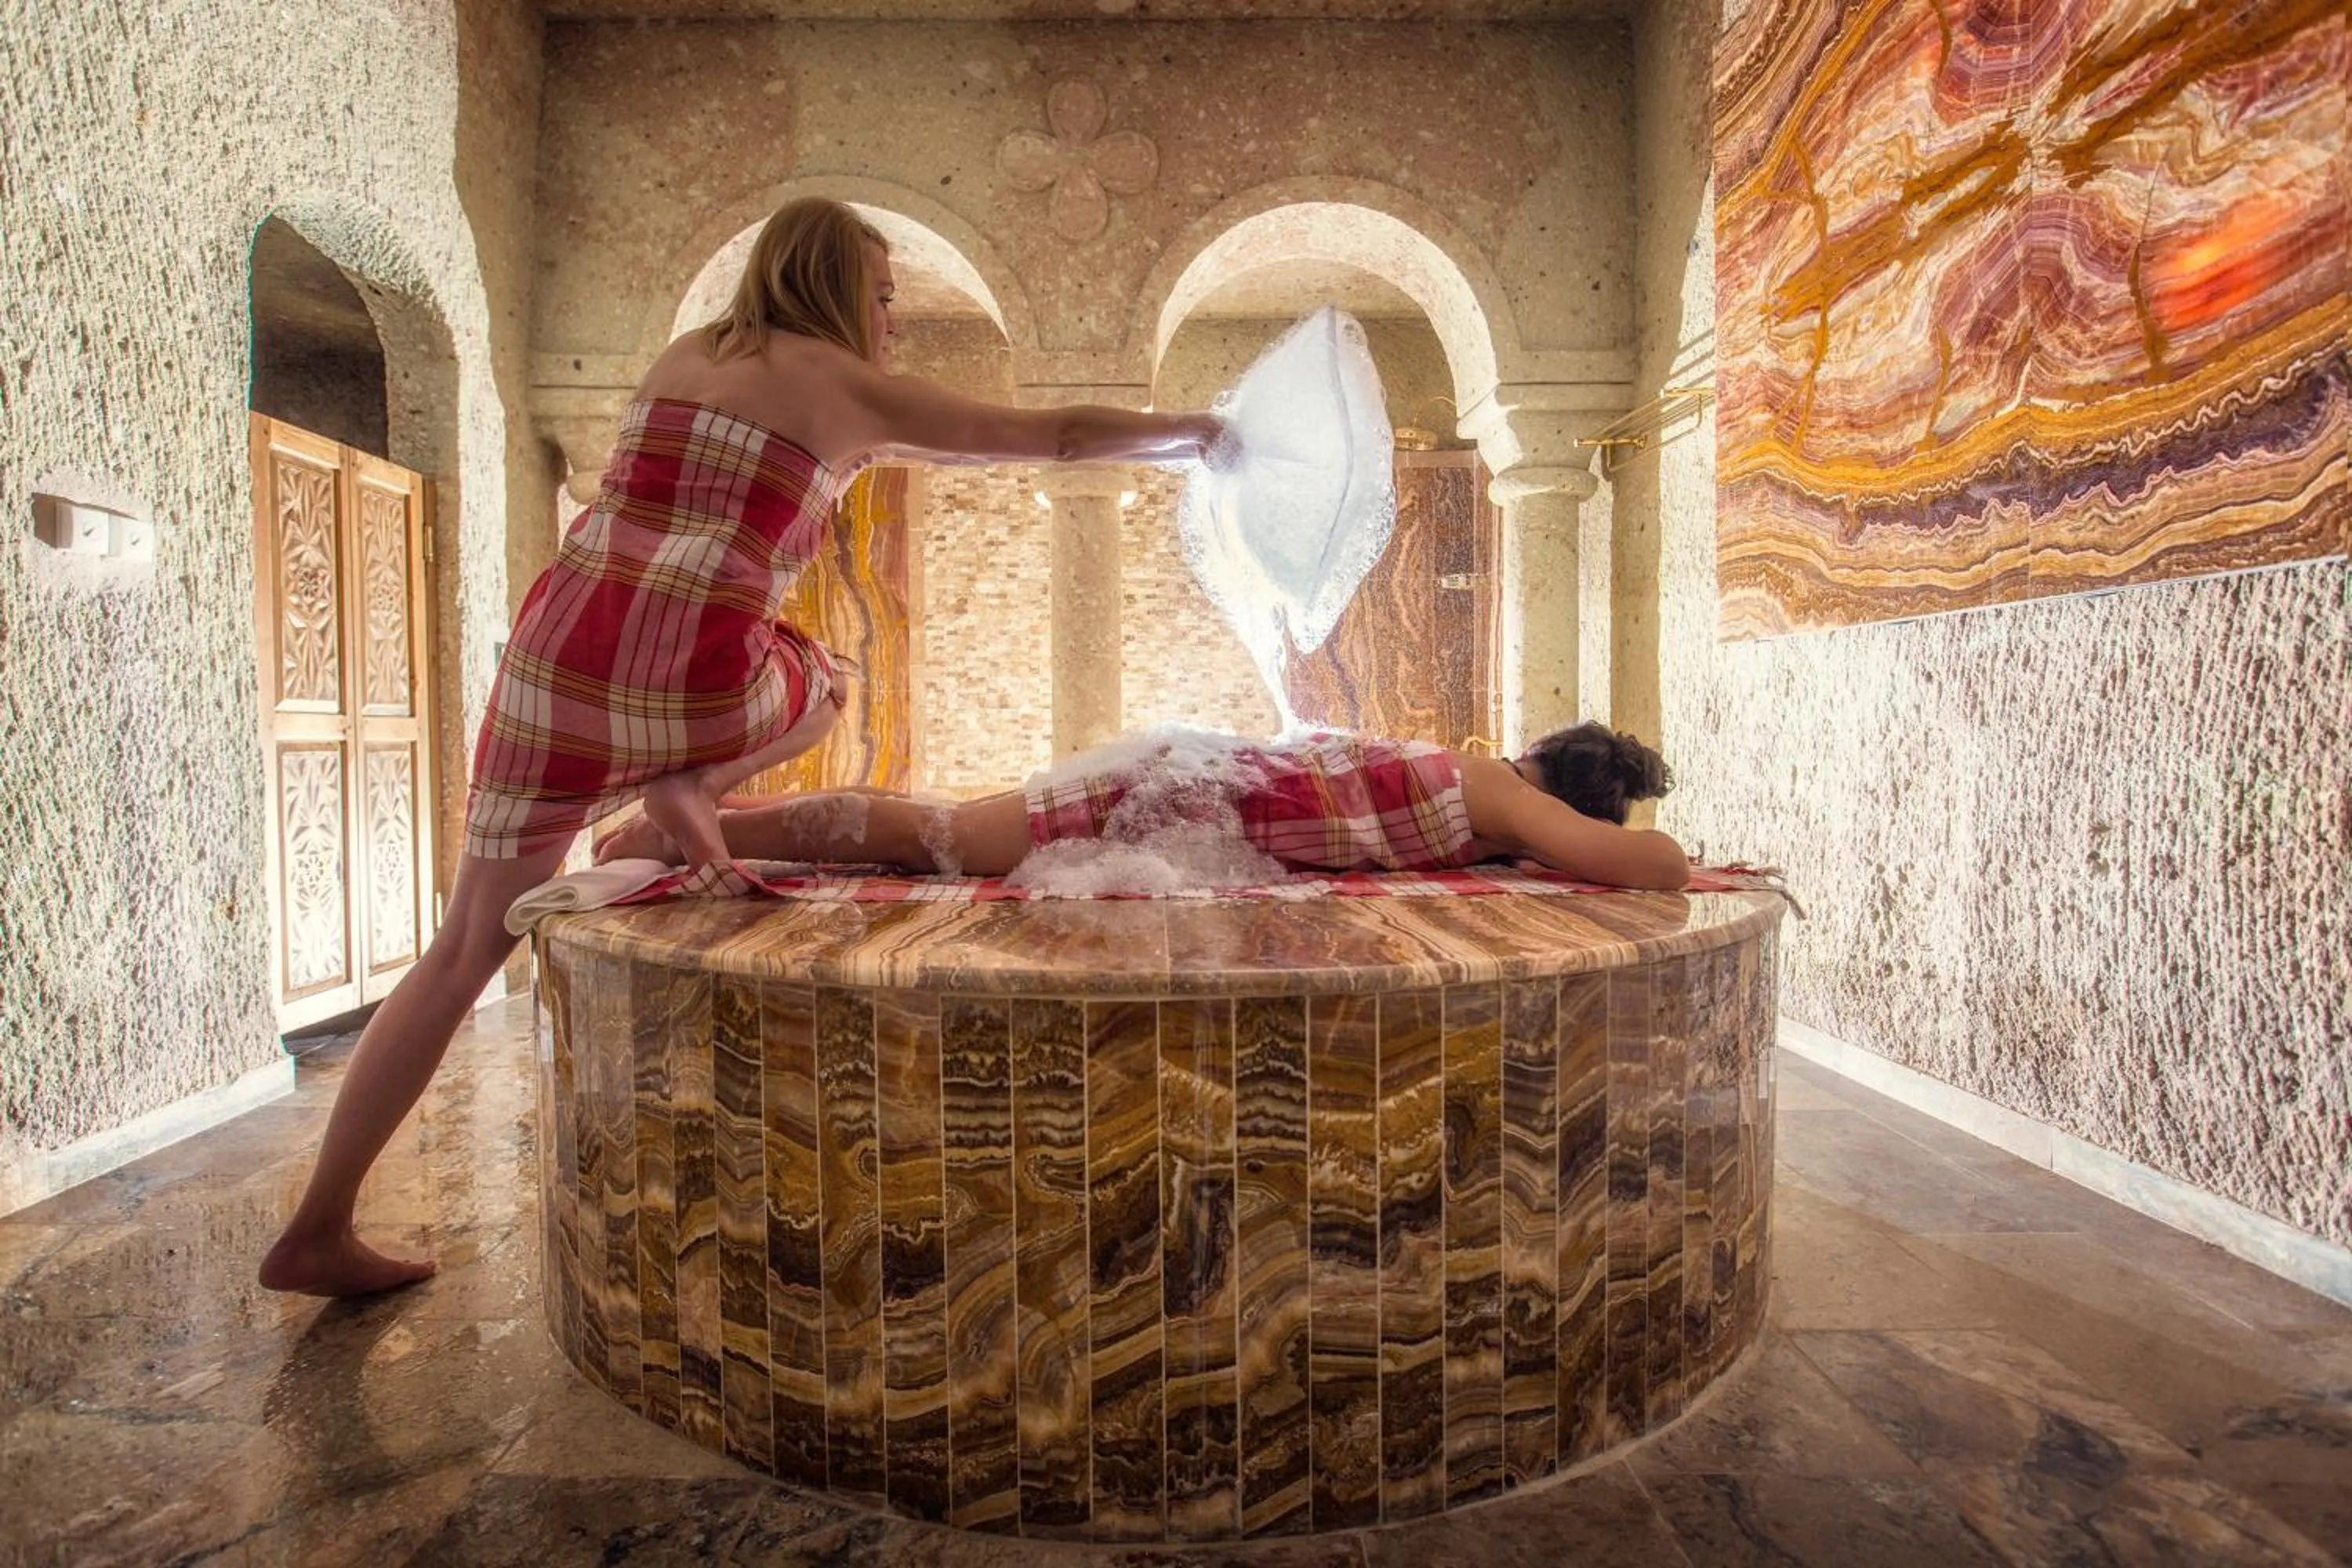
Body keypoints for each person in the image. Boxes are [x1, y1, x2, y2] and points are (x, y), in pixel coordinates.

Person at [260, 198, 1223, 1297]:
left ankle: (318, 1224)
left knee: (461, 950)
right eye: (884, 295)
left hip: (553, 661)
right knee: (829, 679)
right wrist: (1196, 435)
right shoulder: (844, 386)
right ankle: (693, 779)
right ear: (835, 287)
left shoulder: (686, 356)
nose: (892, 319)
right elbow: (1054, 439)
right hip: (692, 674)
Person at [591, 721, 1690, 891]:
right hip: (1172, 793)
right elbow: (1659, 867)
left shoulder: (1485, 802)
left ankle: (708, 823)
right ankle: (677, 832)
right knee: (939, 839)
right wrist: (1599, 847)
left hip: (1188, 788)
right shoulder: (1500, 789)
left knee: (939, 831)